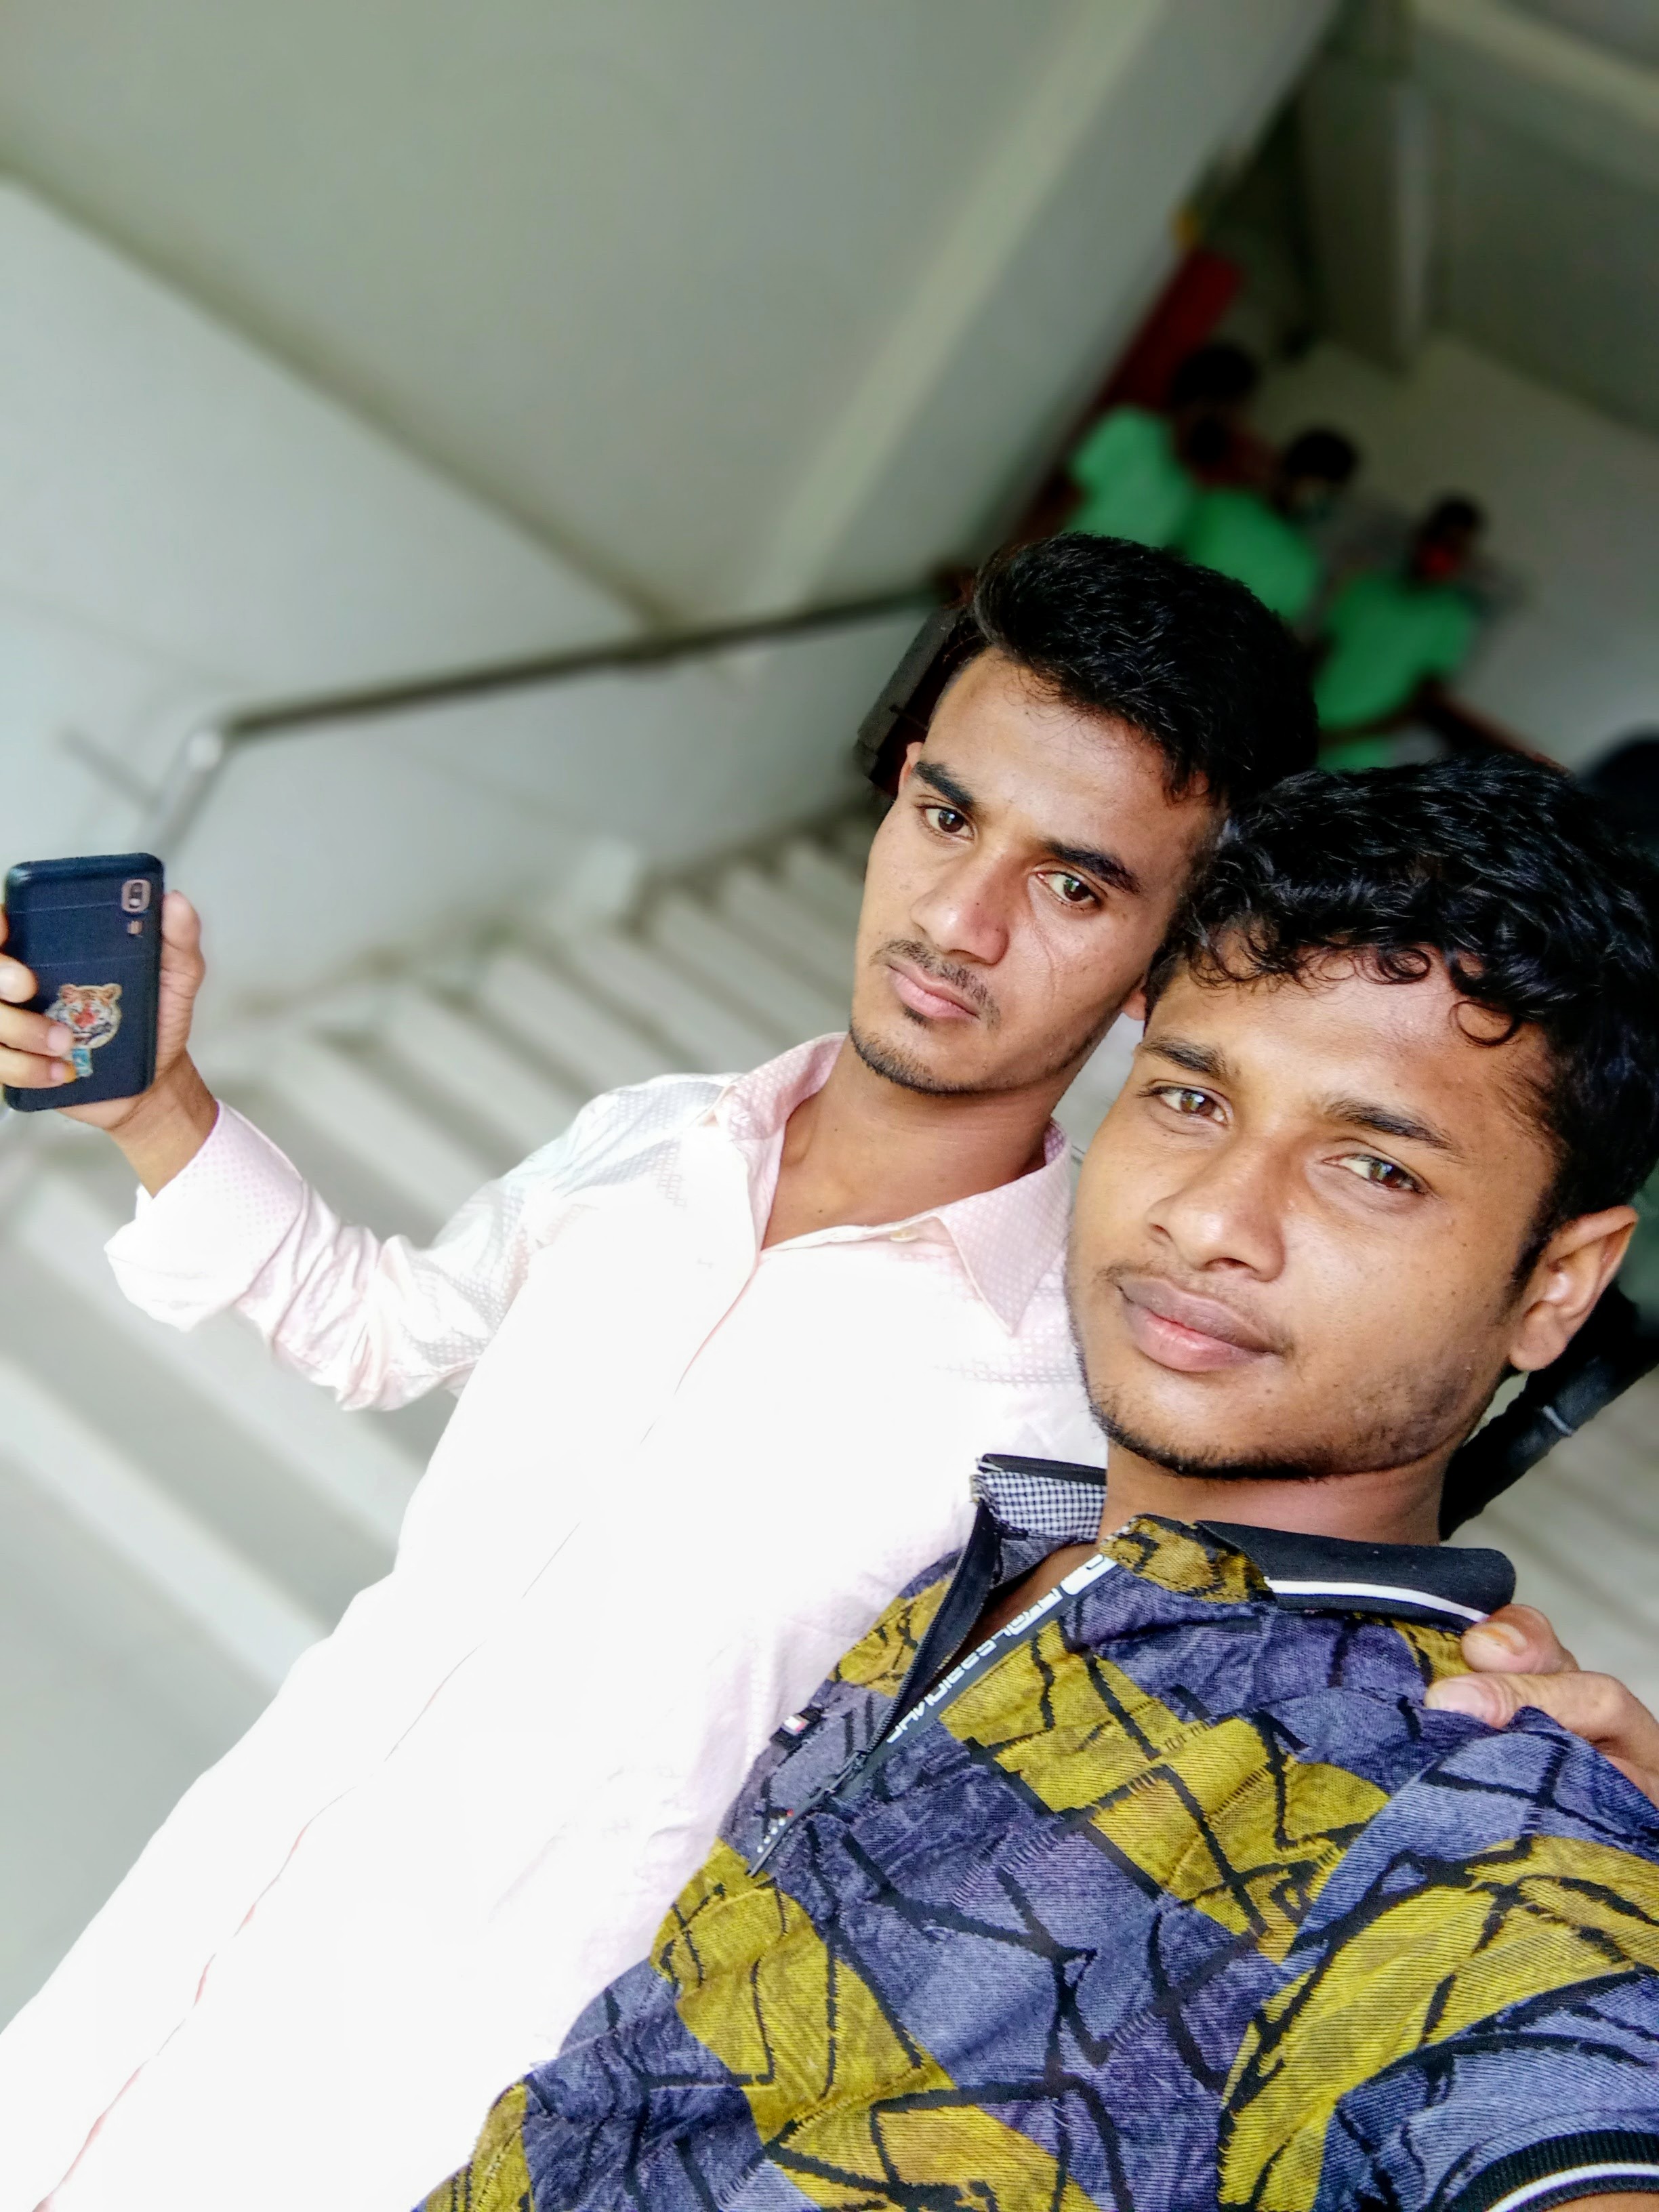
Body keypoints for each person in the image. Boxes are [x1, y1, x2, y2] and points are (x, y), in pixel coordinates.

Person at [0, 536, 1315, 2211]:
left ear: (1166, 959)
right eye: (946, 815)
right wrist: (157, 1108)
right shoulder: (661, 1140)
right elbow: (386, 1329)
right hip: (201, 1922)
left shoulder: (1073, 1415)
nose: (959, 921)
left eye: (1073, 886)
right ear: (898, 782)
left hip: (453, 2113)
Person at [428, 754, 1659, 2212]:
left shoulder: (1463, 1806)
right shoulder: (1016, 1545)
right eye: (1191, 1097)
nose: (1212, 1217)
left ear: (1558, 1284)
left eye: (1374, 1169)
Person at [1313, 494, 1487, 764]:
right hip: (1303, 729)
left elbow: (1420, 703)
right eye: (1439, 538)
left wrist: (1340, 737)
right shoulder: (1365, 586)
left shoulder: (1451, 618)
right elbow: (1319, 653)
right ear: (1420, 535)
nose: (1442, 552)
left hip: (1357, 759)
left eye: (1454, 547)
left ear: (1463, 558)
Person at [1063, 342, 1261, 549]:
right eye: (1228, 411)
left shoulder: (1187, 489)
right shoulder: (1130, 431)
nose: (1232, 425)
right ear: (1196, 400)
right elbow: (1059, 504)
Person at [1177, 424, 1359, 627]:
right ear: (1291, 471)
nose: (1318, 500)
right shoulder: (1220, 506)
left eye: (1330, 493)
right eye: (1317, 487)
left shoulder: (1305, 565)